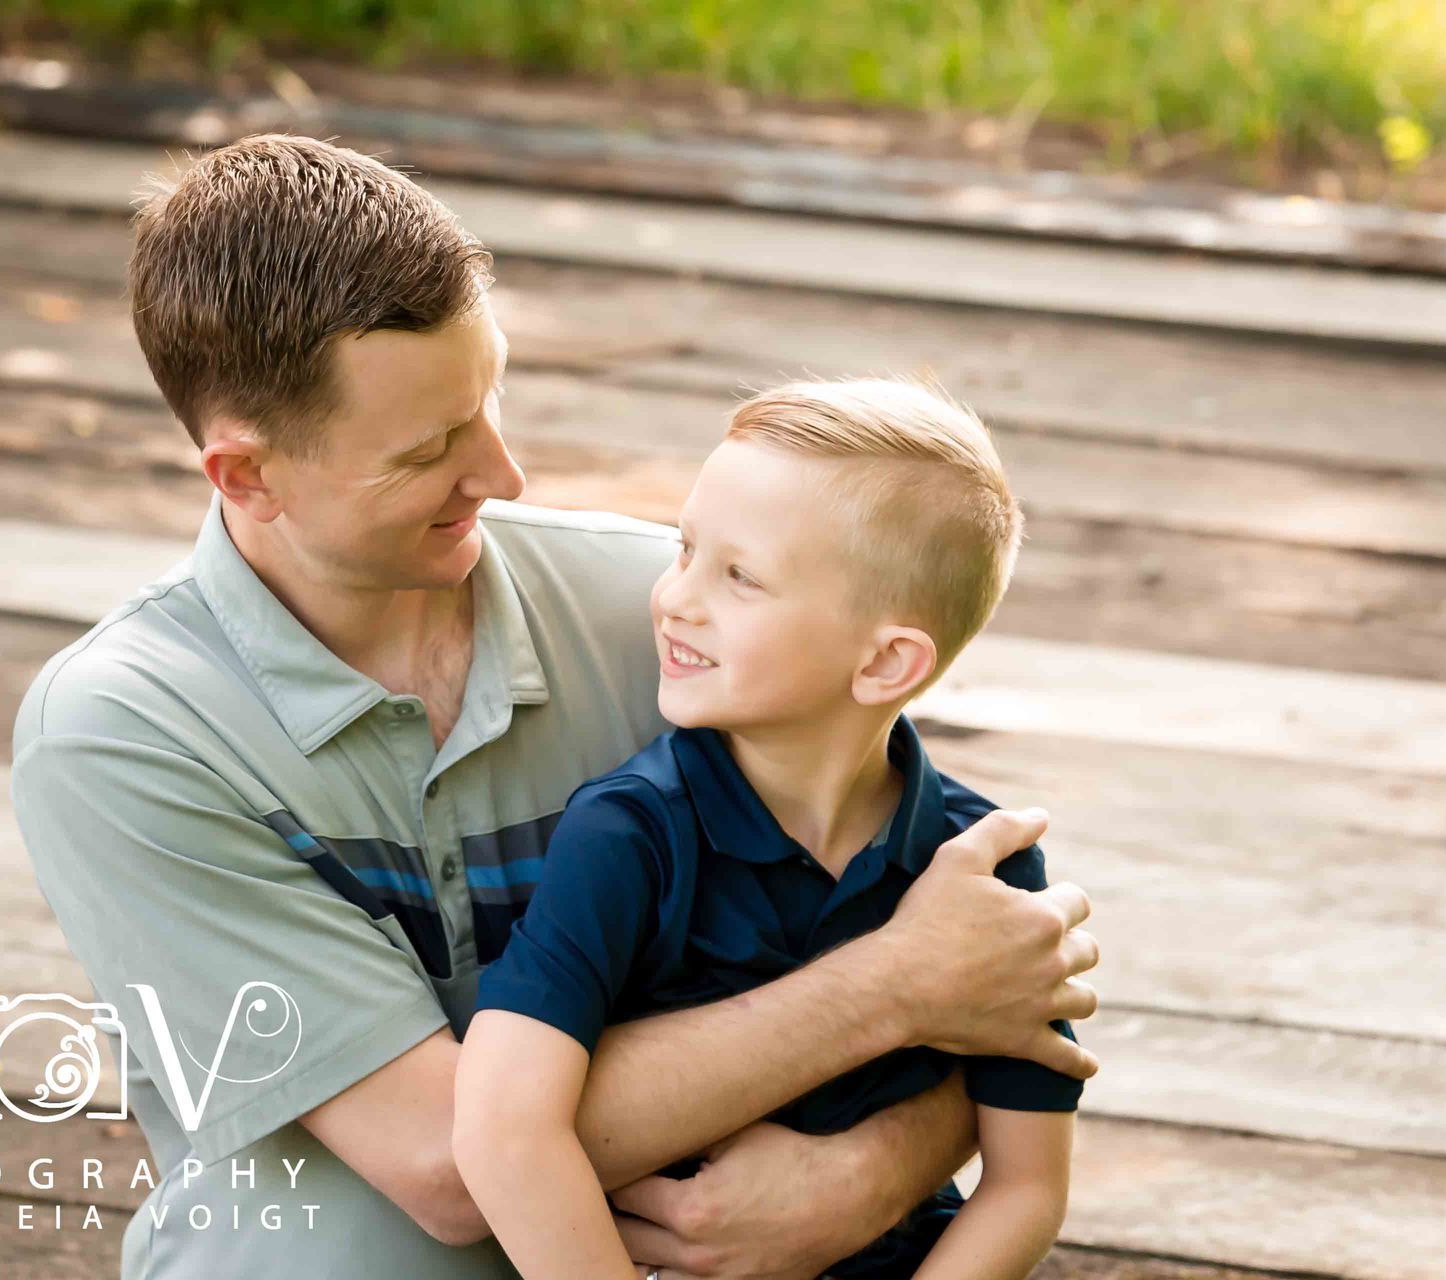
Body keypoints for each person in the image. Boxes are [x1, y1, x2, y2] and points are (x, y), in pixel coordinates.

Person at [9, 133, 1100, 1280]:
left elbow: (985, 974)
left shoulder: (668, 620)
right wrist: (894, 992)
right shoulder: (123, 734)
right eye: (431, 447)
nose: (505, 472)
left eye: (489, 402)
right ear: (248, 476)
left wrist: (864, 1167)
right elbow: (443, 1156)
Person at [455, 379, 1079, 1280]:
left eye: (739, 576)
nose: (675, 598)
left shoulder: (985, 868)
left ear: (885, 662)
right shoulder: (628, 834)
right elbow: (505, 1127)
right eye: (685, 550)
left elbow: (1026, 1187)